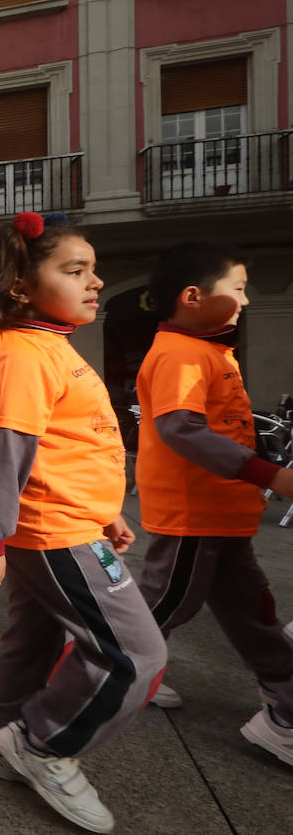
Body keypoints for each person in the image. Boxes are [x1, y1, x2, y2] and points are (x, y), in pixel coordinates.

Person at [0, 212, 166, 833]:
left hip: (72, 523)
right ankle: (43, 744)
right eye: (74, 270)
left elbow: (71, 445)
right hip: (51, 530)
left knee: (36, 636)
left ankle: (4, 736)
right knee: (135, 654)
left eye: (93, 270)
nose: (95, 282)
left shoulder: (49, 346)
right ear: (19, 285)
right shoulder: (22, 355)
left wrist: (107, 515)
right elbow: (0, 452)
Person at [133, 242, 293, 765]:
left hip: (221, 510)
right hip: (193, 510)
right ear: (193, 297)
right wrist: (271, 474)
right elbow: (181, 428)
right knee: (165, 602)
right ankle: (103, 670)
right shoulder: (181, 353)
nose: (245, 301)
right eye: (238, 289)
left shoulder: (208, 349)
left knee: (251, 609)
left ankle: (283, 698)